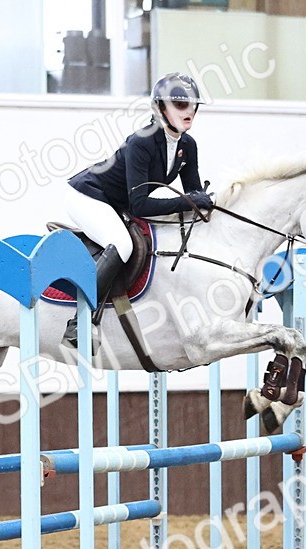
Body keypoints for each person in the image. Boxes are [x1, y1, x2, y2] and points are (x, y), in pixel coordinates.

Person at [62, 72, 213, 347]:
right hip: (88, 195)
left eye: (194, 106)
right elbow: (141, 205)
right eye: (181, 105)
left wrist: (204, 202)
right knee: (122, 244)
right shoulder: (141, 142)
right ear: (160, 108)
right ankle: (79, 322)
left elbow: (193, 194)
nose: (190, 111)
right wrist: (190, 201)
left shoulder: (187, 145)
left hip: (118, 203)